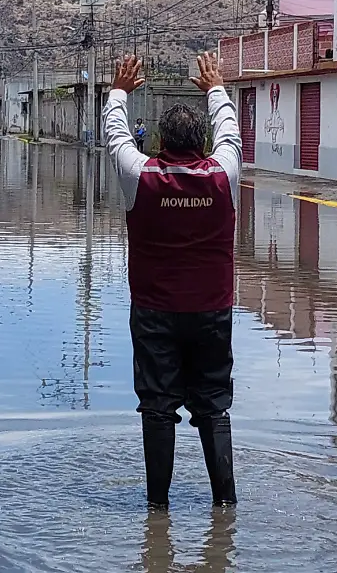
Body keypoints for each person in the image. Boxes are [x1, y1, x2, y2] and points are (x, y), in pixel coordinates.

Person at [103, 53, 242, 509]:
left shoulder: (140, 176)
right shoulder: (223, 175)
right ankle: (226, 506)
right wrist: (215, 87)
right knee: (213, 405)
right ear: (202, 143)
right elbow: (231, 132)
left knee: (158, 407)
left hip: (154, 314)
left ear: (160, 141)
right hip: (212, 313)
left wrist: (120, 89)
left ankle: (157, 512)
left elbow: (116, 136)